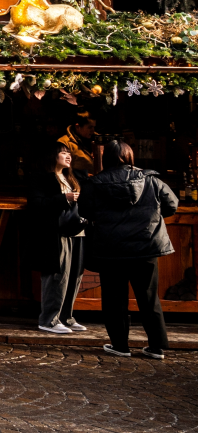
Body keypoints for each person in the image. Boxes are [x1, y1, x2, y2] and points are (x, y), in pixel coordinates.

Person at [82, 140, 178, 360]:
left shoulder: (94, 183)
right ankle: (156, 346)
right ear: (130, 156)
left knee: (114, 299)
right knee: (149, 297)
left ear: (106, 158)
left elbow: (85, 211)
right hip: (145, 246)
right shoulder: (151, 180)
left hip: (111, 249)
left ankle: (120, 345)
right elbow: (171, 205)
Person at [26, 142, 86, 335]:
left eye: (69, 153)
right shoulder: (40, 177)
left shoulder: (71, 177)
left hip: (77, 231)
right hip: (55, 233)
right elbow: (36, 204)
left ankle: (65, 317)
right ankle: (48, 320)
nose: (68, 156)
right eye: (63, 153)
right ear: (52, 156)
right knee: (57, 276)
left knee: (75, 276)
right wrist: (64, 198)